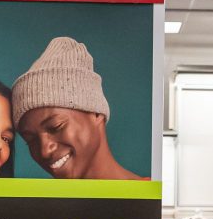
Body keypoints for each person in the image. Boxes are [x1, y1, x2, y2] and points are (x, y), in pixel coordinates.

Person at [12, 37, 145, 181]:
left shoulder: (150, 199)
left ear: (96, 113)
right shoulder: (39, 203)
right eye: (31, 140)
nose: (44, 151)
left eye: (56, 127)